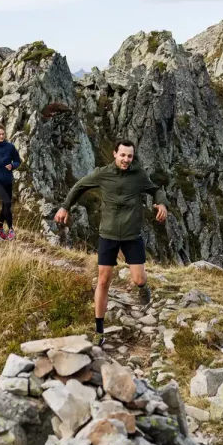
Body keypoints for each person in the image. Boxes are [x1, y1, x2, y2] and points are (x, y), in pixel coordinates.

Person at [54, 139, 168, 343]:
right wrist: (65, 207)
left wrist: (162, 204)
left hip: (132, 236)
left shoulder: (138, 175)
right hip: (108, 234)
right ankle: (99, 331)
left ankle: (143, 289)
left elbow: (155, 189)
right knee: (104, 280)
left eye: (130, 156)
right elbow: (80, 186)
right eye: (122, 155)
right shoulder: (102, 174)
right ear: (115, 154)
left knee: (139, 280)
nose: (126, 159)